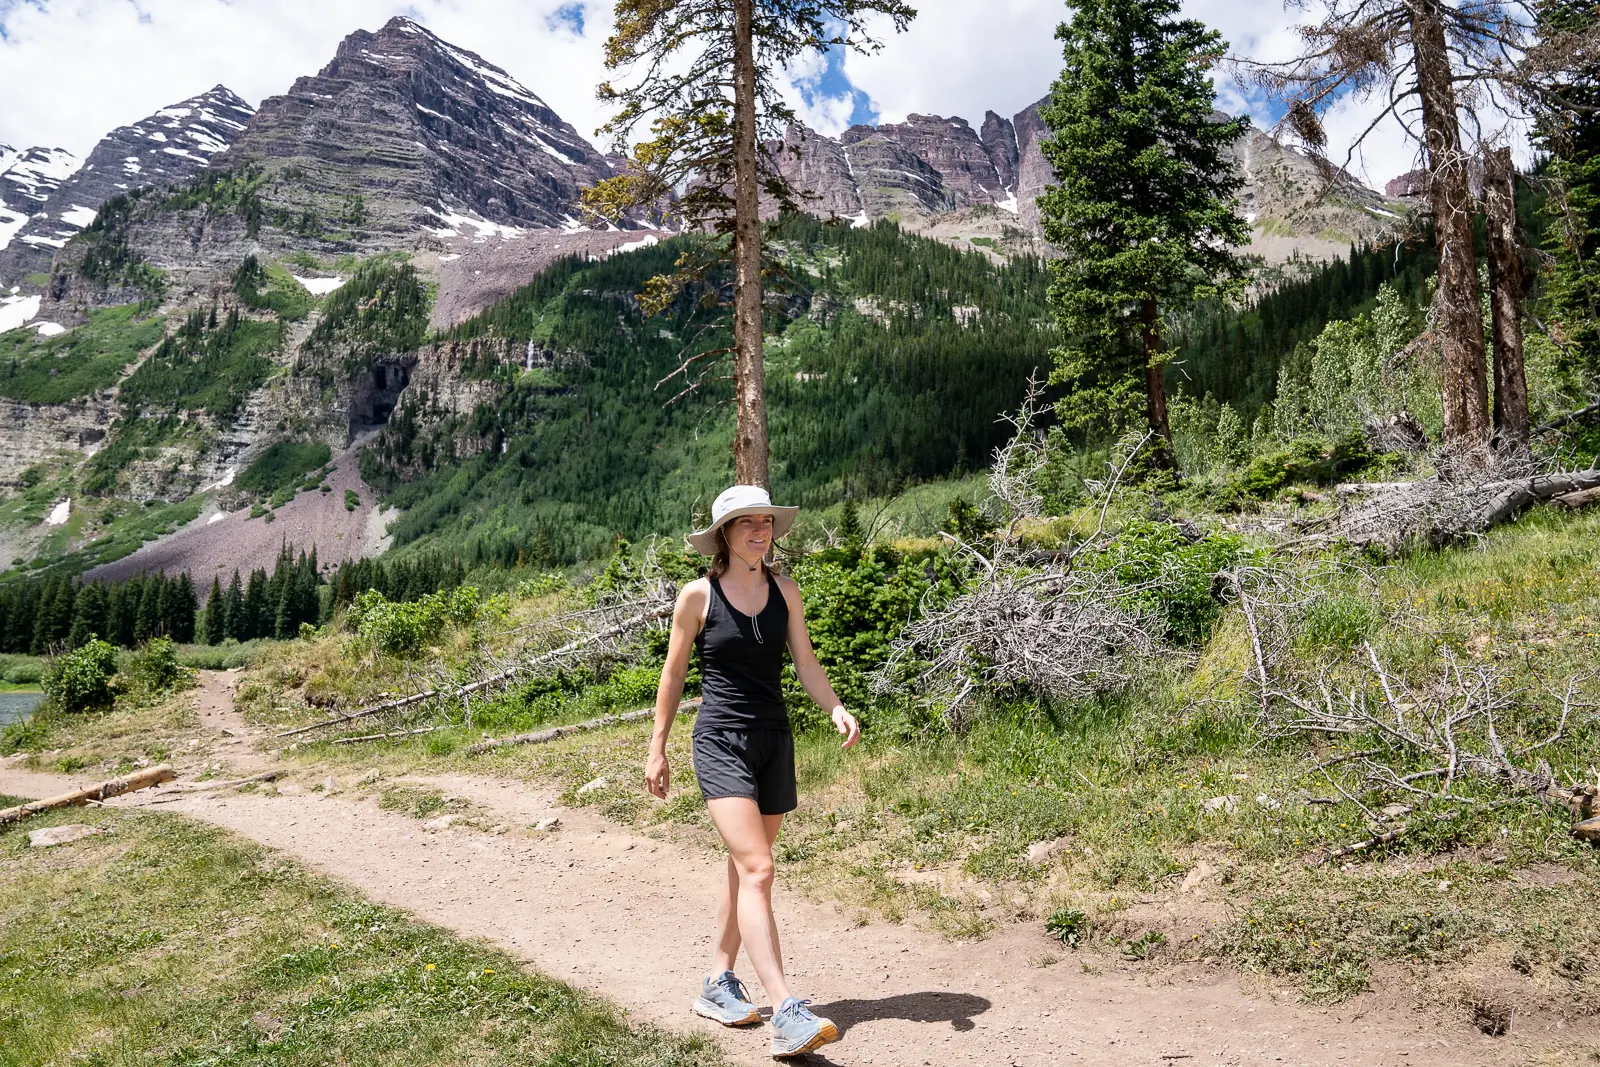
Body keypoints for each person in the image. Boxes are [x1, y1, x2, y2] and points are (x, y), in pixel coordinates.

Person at [645, 484, 861, 1059]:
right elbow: (673, 677)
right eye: (747, 524)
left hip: (774, 741)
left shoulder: (785, 591)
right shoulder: (698, 597)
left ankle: (718, 980)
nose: (760, 531)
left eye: (766, 522)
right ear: (724, 535)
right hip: (720, 740)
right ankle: (787, 1010)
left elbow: (806, 663)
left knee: (746, 872)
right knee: (759, 867)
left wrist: (835, 706)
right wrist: (657, 746)